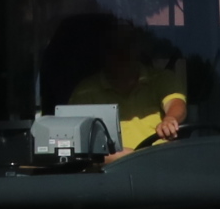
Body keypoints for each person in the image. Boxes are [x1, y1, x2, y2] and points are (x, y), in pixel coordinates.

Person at [66, 14, 188, 152]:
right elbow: (75, 142)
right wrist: (123, 158)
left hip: (162, 163)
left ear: (138, 49)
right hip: (113, 166)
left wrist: (170, 119)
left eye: (127, 44)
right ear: (102, 52)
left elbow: (176, 104)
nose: (121, 53)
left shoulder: (161, 78)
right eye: (113, 46)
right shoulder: (85, 92)